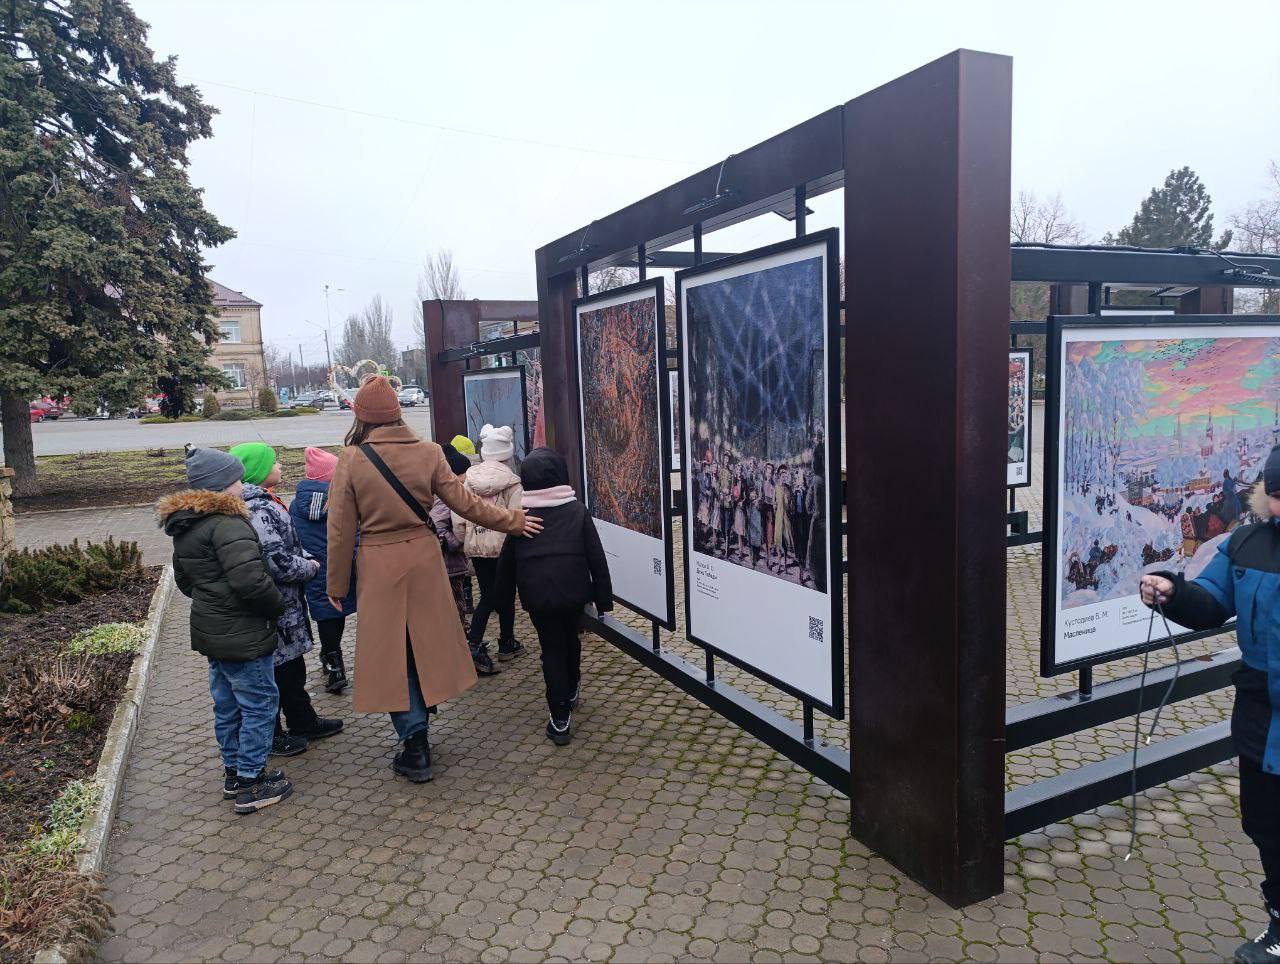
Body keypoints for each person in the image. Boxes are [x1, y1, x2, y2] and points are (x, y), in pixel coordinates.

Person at [325, 377, 540, 783]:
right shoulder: (428, 451)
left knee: (394, 654)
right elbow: (468, 504)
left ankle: (415, 742)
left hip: (379, 564)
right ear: (397, 413)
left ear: (362, 416)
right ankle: (422, 719)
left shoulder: (351, 459)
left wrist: (336, 585)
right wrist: (514, 520)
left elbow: (340, 531)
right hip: (425, 560)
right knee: (426, 644)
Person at [1139, 444, 1280, 964]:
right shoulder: (1245, 543)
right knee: (1265, 824)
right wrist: (1171, 593)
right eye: (1279, 496)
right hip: (1261, 715)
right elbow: (1210, 603)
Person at [158, 447, 293, 814]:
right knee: (260, 703)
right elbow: (251, 582)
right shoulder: (229, 524)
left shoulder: (186, 525)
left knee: (228, 705)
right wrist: (276, 607)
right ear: (222, 486)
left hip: (211, 629)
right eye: (236, 480)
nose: (241, 485)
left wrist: (213, 599)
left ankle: (234, 773)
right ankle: (252, 782)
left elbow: (185, 582)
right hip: (244, 632)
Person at [231, 442, 343, 754]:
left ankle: (302, 719)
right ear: (256, 471)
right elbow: (275, 559)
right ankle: (275, 734)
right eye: (274, 462)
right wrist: (308, 566)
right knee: (278, 671)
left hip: (286, 603)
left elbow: (290, 543)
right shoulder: (258, 509)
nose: (280, 466)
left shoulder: (267, 501)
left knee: (291, 667)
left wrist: (304, 556)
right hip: (275, 604)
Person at [495, 448, 612, 746]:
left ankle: (559, 719)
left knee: (552, 649)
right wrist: (603, 600)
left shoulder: (522, 517)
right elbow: (596, 557)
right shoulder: (577, 511)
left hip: (538, 596)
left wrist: (502, 601)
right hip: (574, 593)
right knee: (570, 640)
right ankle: (572, 689)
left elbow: (506, 564)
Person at [455, 424, 525, 674]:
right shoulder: (513, 483)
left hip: (477, 547)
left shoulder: (469, 479)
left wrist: (466, 542)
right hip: (505, 548)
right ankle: (479, 643)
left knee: (491, 592)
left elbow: (459, 516)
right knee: (500, 596)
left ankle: (506, 641)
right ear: (507, 453)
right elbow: (517, 518)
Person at [289, 446, 356, 694]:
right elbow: (355, 533)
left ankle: (332, 661)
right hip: (342, 567)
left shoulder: (296, 505)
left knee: (326, 615)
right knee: (338, 614)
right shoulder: (343, 499)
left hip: (315, 570)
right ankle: (333, 662)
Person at [433, 443, 474, 633]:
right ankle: (462, 642)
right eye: (464, 473)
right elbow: (437, 524)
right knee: (456, 604)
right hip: (450, 563)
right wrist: (457, 541)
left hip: (452, 563)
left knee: (456, 601)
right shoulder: (445, 497)